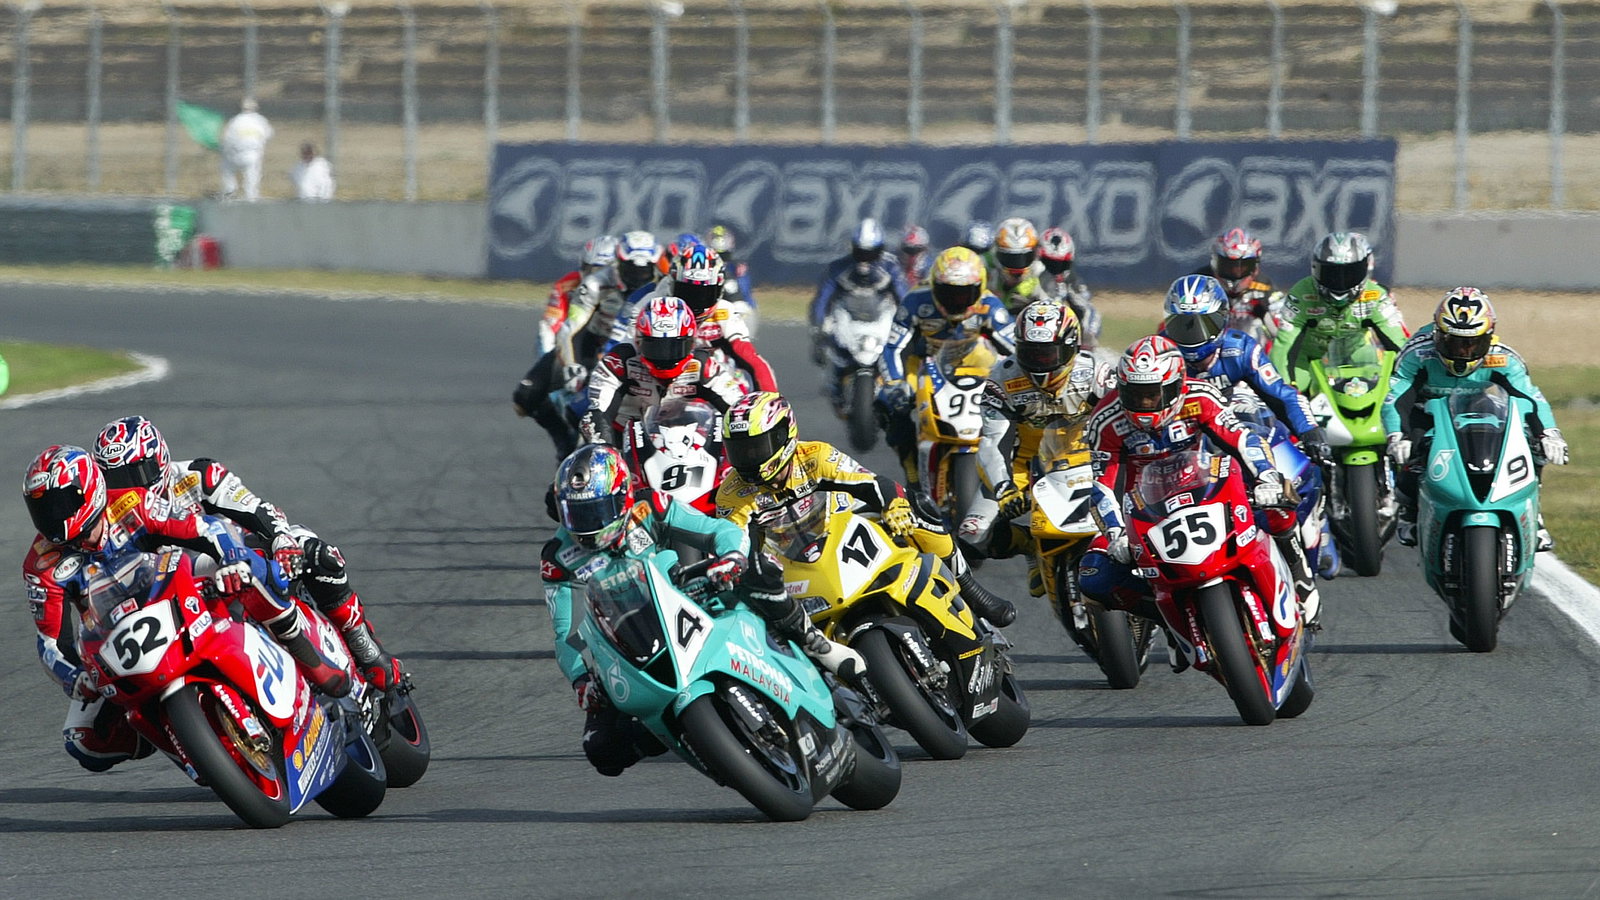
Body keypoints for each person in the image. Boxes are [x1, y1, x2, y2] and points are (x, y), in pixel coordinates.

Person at [541, 443, 864, 776]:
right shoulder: (557, 558)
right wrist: (581, 681)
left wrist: (732, 557)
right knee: (602, 749)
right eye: (576, 515)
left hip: (686, 589)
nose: (587, 525)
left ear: (622, 494)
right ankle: (688, 735)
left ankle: (816, 647)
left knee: (760, 571)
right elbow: (566, 633)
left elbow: (716, 530)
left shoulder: (649, 505)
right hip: (628, 638)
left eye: (596, 511)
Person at [22, 445, 348, 772]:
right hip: (120, 634)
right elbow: (50, 642)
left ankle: (303, 650)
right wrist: (73, 677)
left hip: (179, 584)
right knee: (83, 738)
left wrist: (232, 560)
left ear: (90, 489)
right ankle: (183, 738)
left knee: (247, 567)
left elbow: (206, 529)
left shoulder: (130, 502)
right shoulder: (42, 564)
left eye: (62, 503)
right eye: (42, 509)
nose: (53, 517)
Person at [90, 415, 404, 690]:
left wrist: (280, 539)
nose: (130, 488)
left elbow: (253, 508)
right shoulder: (111, 520)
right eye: (115, 480)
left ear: (159, 460)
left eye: (136, 475)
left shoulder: (198, 475)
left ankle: (363, 646)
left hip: (243, 559)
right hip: (180, 597)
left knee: (320, 554)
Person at [1077, 337, 1313, 661]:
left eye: (1152, 394)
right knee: (1093, 577)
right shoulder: (1106, 420)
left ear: (1175, 385)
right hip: (1144, 511)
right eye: (1135, 394)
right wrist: (1116, 534)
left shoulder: (1199, 396)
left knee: (1279, 504)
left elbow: (1243, 438)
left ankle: (1298, 575)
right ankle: (1175, 622)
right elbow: (1102, 485)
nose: (1144, 404)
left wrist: (1267, 477)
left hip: (1207, 487)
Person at [715, 391, 1017, 627]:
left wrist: (895, 504)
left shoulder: (815, 455)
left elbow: (873, 483)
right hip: (791, 562)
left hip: (845, 526)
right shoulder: (731, 493)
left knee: (919, 507)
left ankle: (971, 590)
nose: (749, 459)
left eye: (757, 447)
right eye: (739, 450)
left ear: (784, 434)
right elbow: (734, 541)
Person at [1159, 275, 1335, 600]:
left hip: (1249, 429)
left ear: (1221, 320)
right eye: (1184, 326)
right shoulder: (1160, 353)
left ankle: (1301, 565)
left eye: (1202, 325)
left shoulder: (1239, 348)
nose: (1193, 336)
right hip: (1186, 445)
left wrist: (1309, 431)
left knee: (1305, 477)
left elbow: (1281, 394)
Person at [1382, 287, 1567, 550]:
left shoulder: (1504, 358)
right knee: (1412, 446)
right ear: (1437, 334)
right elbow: (1396, 398)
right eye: (1453, 342)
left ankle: (1532, 510)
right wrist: (1397, 435)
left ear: (1488, 338)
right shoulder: (1417, 354)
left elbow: (1530, 398)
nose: (1463, 351)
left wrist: (1549, 434)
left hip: (1476, 406)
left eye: (1472, 343)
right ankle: (1409, 509)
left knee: (1529, 443)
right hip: (1426, 410)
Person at [962, 299, 1114, 597]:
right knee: (972, 535)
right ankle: (1032, 543)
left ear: (1070, 347)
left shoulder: (1097, 373)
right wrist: (1005, 489)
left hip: (1090, 460)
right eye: (1031, 353)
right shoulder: (1001, 378)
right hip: (1028, 467)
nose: (1040, 363)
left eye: (1048, 354)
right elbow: (991, 443)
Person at [877, 246, 1015, 491]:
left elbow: (1015, 348)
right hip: (924, 365)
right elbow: (892, 349)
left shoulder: (991, 307)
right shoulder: (916, 302)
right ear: (934, 286)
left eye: (964, 294)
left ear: (980, 287)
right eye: (948, 293)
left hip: (978, 368)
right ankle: (911, 470)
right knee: (888, 403)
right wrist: (894, 384)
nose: (956, 301)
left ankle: (1009, 469)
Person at [607, 242, 777, 393]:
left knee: (742, 387)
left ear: (718, 291)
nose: (695, 301)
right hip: (653, 386)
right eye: (687, 292)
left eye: (704, 294)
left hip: (713, 382)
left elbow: (750, 357)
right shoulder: (647, 307)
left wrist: (770, 404)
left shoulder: (724, 312)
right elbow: (624, 355)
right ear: (673, 285)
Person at [514, 235, 625, 458]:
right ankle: (561, 436)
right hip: (581, 344)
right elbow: (550, 328)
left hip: (618, 349)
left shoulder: (634, 289)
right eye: (592, 269)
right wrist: (557, 366)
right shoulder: (568, 285)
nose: (596, 276)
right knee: (525, 397)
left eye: (603, 269)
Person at [582, 296, 746, 445]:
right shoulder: (619, 362)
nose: (666, 357)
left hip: (684, 442)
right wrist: (605, 448)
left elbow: (739, 411)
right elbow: (597, 413)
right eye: (656, 347)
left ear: (691, 343)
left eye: (676, 347)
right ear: (639, 341)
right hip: (622, 440)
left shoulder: (704, 365)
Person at [1271, 231, 1410, 380]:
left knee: (1380, 383)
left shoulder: (1376, 295)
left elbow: (1398, 343)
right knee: (1292, 388)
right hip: (1308, 359)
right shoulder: (1301, 293)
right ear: (1315, 269)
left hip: (1356, 356)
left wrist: (1408, 384)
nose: (1340, 281)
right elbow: (1284, 345)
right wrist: (1286, 391)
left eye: (1350, 274)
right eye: (1331, 274)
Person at [809, 218, 908, 357]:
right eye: (861, 252)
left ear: (880, 251)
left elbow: (904, 298)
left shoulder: (891, 267)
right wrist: (819, 328)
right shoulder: (838, 268)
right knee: (829, 342)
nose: (865, 259)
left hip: (880, 319)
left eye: (871, 253)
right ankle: (836, 372)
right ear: (853, 248)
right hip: (847, 320)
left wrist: (908, 325)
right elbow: (822, 298)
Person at [1193, 227, 1283, 338]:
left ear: (1255, 265)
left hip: (1251, 348)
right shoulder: (1199, 282)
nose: (1235, 271)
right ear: (1216, 262)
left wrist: (1265, 315)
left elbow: (1283, 335)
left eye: (1242, 267)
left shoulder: (1265, 287)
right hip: (1208, 347)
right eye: (1228, 266)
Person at [1036, 227, 1100, 350]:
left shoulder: (1071, 280)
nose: (1054, 270)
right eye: (1049, 263)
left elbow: (1088, 310)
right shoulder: (1029, 278)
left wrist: (1086, 337)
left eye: (1060, 264)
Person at [705, 224, 758, 334]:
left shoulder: (738, 268)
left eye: (723, 256)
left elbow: (743, 294)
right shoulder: (702, 267)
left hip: (737, 309)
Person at [988, 216, 1047, 312]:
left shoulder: (1042, 273)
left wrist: (1035, 306)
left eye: (1024, 258)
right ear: (997, 252)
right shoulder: (985, 267)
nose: (1017, 267)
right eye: (1010, 259)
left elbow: (1055, 305)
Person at [220, 98, 273, 202]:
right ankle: (251, 197)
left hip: (236, 155)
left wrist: (225, 150)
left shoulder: (235, 120)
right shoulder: (260, 120)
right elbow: (269, 134)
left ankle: (229, 193)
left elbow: (227, 139)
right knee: (252, 176)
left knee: (227, 169)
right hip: (253, 154)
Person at [898, 224, 932, 289]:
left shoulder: (931, 269)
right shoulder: (893, 264)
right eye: (908, 250)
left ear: (925, 250)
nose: (912, 255)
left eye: (917, 250)